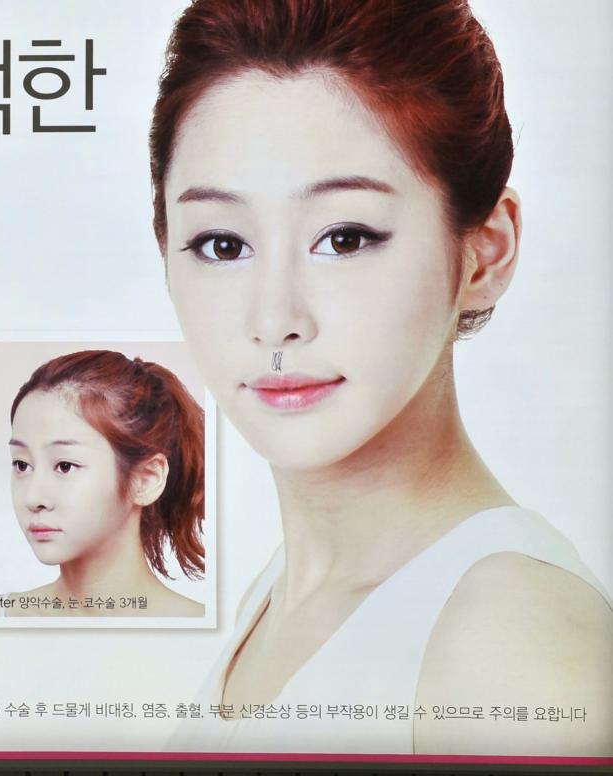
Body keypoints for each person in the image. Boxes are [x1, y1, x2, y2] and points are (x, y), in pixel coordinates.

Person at [150, 0, 613, 755]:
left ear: (483, 254)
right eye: (223, 244)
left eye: (344, 237)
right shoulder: (289, 592)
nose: (275, 320)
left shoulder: (513, 638)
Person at [0, 350, 206, 618]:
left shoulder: (200, 629)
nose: (33, 497)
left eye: (64, 466)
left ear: (146, 479)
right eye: (22, 465)